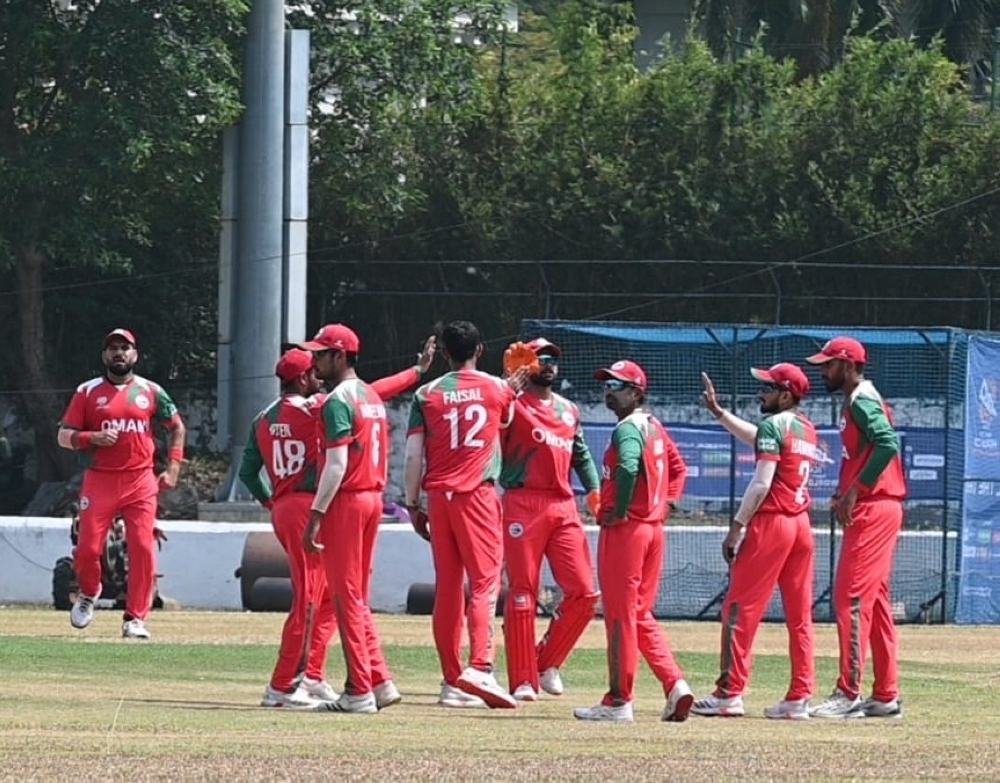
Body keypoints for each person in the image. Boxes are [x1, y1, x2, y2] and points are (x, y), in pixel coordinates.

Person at [239, 338, 436, 709]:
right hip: (317, 503)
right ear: (302, 381)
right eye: (311, 370)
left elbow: (248, 472)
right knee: (316, 599)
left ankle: (333, 676)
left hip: (287, 503)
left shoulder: (262, 418)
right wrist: (415, 373)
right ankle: (288, 683)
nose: (317, 373)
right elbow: (367, 394)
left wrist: (272, 500)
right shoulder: (320, 407)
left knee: (332, 596)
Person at [403, 320, 522, 710]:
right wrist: (511, 390)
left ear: (445, 356)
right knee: (486, 582)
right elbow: (503, 421)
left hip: (439, 497)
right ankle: (481, 666)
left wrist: (412, 502)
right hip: (477, 495)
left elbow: (413, 455)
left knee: (449, 588)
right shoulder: (497, 389)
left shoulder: (426, 393)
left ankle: (452, 681)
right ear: (480, 350)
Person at [694, 364, 819, 720]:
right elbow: (758, 435)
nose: (759, 393)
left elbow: (762, 483)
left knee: (739, 608)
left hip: (772, 525)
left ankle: (729, 694)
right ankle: (799, 697)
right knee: (799, 616)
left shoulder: (772, 425)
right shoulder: (805, 427)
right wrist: (720, 414)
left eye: (767, 388)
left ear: (785, 394)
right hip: (801, 526)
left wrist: (736, 526)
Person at [574, 360, 693, 723]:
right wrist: (668, 500)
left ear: (637, 393)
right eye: (607, 384)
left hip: (627, 532)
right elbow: (678, 468)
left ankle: (618, 700)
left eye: (619, 385)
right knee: (639, 614)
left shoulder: (628, 429)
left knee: (621, 617)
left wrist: (622, 510)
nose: (610, 390)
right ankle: (675, 684)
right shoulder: (653, 425)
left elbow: (627, 467)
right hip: (653, 530)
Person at [299, 324, 408, 714]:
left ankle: (359, 690)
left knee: (345, 598)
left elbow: (336, 464)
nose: (314, 361)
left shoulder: (336, 401)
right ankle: (378, 680)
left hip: (346, 501)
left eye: (321, 354)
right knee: (356, 596)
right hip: (373, 498)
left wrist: (315, 515)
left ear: (340, 356)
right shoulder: (370, 396)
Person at [57, 328, 186, 640]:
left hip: (140, 480)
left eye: (124, 348)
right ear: (104, 356)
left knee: (143, 548)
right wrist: (92, 438)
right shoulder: (88, 391)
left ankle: (135, 618)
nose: (119, 353)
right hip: (99, 480)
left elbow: (177, 427)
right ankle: (89, 593)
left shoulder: (150, 390)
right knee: (88, 549)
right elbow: (63, 436)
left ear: (135, 355)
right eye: (113, 348)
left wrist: (173, 468)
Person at [805, 337, 906, 720]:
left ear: (848, 365)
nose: (823, 371)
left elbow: (887, 443)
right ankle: (885, 696)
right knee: (874, 603)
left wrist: (856, 492)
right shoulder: (858, 399)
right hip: (876, 505)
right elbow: (870, 450)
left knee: (850, 598)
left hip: (874, 508)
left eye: (828, 365)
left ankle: (847, 692)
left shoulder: (862, 399)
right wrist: (844, 491)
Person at [499, 337, 601, 702]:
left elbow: (582, 453)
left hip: (563, 505)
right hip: (523, 501)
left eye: (553, 358)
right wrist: (505, 382)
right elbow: (493, 421)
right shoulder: (512, 404)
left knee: (585, 593)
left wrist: (594, 490)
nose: (550, 363)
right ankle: (522, 679)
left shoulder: (569, 409)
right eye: (541, 358)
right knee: (523, 592)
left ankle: (545, 663)